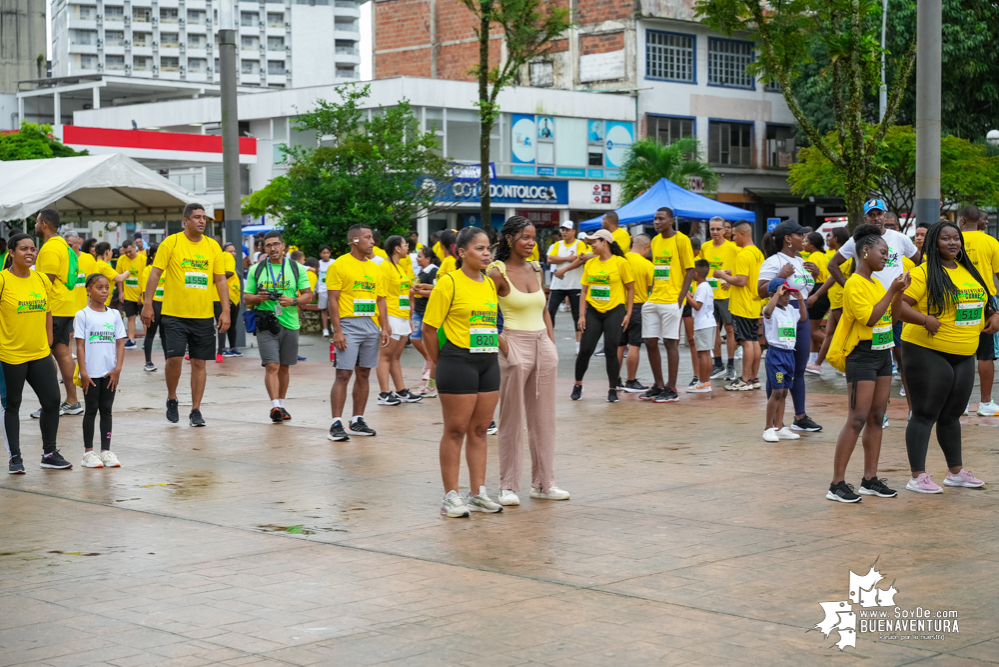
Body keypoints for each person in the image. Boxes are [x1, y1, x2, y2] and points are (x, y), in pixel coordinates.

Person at [898, 221, 998, 493]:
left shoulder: (969, 270)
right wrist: (924, 319)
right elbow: (899, 307)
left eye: (956, 238)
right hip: (927, 350)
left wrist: (994, 314)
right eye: (945, 239)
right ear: (933, 243)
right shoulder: (923, 273)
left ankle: (955, 472)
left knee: (952, 415)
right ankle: (917, 476)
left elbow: (982, 299)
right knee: (924, 413)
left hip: (965, 351)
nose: (953, 243)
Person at [487, 216, 569, 506]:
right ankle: (508, 485)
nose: (532, 242)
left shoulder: (536, 268)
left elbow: (545, 309)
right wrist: (503, 344)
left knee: (544, 419)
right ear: (509, 239)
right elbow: (481, 312)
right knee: (511, 419)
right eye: (525, 237)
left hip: (542, 346)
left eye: (533, 237)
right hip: (513, 344)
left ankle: (544, 483)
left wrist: (551, 344)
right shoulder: (496, 272)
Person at [422, 226, 503, 517]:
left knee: (480, 430)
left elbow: (489, 324)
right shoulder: (448, 283)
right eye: (479, 248)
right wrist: (435, 362)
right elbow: (428, 328)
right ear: (461, 252)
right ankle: (451, 496)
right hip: (456, 361)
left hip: (487, 360)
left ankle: (477, 493)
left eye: (488, 248)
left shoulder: (489, 284)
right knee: (456, 430)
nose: (486, 254)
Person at [826, 225, 909, 502]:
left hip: (882, 353)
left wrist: (898, 292)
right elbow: (870, 319)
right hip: (861, 356)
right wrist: (891, 290)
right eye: (882, 252)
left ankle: (869, 479)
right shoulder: (854, 284)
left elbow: (893, 318)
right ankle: (837, 484)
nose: (886, 257)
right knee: (857, 417)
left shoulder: (876, 283)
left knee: (876, 416)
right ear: (865, 250)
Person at [141, 203, 230, 427]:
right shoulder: (171, 242)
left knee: (200, 363)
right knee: (175, 358)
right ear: (186, 221)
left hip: (202, 316)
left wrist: (225, 310)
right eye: (197, 217)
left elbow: (220, 280)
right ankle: (172, 397)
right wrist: (148, 304)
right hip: (174, 315)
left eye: (204, 218)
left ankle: (196, 410)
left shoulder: (212, 247)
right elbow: (155, 273)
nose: (202, 221)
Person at [829, 200, 920, 406]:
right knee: (872, 364)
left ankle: (910, 409)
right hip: (868, 310)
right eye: (872, 214)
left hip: (893, 306)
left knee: (901, 358)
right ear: (865, 218)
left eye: (880, 213)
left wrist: (908, 286)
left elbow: (919, 259)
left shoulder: (899, 238)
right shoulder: (857, 241)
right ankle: (879, 409)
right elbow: (833, 265)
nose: (877, 218)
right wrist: (850, 287)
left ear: (885, 215)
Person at [1, 233, 72, 473]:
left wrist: (49, 345)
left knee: (52, 401)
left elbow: (48, 312)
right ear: (11, 252)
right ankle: (15, 458)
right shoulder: (2, 280)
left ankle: (49, 453)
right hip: (9, 356)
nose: (30, 252)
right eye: (24, 249)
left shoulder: (42, 280)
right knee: (13, 405)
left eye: (33, 248)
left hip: (39, 354)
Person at [326, 224, 390, 441]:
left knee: (364, 373)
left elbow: (380, 299)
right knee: (344, 374)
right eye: (368, 237)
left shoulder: (375, 268)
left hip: (371, 327)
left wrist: (385, 327)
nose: (372, 241)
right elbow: (332, 300)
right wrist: (337, 331)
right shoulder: (339, 265)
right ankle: (336, 423)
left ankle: (357, 420)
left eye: (372, 237)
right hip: (348, 325)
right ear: (355, 241)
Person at [758, 220, 823, 432]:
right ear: (788, 239)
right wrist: (780, 276)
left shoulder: (800, 259)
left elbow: (803, 291)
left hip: (800, 314)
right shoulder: (774, 261)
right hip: (781, 314)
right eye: (800, 234)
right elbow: (761, 291)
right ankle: (775, 421)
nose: (804, 238)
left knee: (798, 369)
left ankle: (800, 416)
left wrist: (813, 275)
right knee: (778, 366)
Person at [244, 231, 313, 423]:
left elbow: (308, 295)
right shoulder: (256, 269)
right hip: (266, 322)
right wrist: (259, 297)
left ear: (284, 246)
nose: (273, 248)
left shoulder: (296, 268)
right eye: (268, 245)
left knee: (284, 367)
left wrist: (294, 301)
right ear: (263, 248)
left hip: (290, 322)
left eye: (276, 244)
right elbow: (247, 298)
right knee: (272, 365)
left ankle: (281, 405)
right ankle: (274, 404)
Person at [572, 229, 635, 402]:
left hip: (614, 311)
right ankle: (578, 385)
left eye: (594, 242)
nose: (591, 246)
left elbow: (630, 288)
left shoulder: (620, 263)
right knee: (585, 349)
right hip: (593, 311)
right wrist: (582, 315)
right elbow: (584, 291)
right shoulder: (590, 264)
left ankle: (612, 389)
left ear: (605, 242)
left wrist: (628, 313)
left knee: (611, 350)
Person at [641, 207, 696, 403]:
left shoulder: (681, 240)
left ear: (671, 220)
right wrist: (652, 292)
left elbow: (690, 270)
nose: (656, 222)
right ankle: (658, 385)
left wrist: (680, 299)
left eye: (661, 219)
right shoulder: (655, 241)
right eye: (655, 218)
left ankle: (671, 388)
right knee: (649, 341)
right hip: (654, 298)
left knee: (670, 342)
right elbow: (658, 269)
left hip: (672, 299)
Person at [34, 208, 84, 416]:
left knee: (44, 354)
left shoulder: (50, 248)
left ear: (44, 224)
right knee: (63, 352)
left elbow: (46, 280)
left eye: (37, 222)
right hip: (66, 306)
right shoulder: (64, 246)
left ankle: (50, 404)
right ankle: (72, 402)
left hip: (53, 308)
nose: (35, 226)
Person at [74, 274, 127, 469]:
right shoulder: (83, 315)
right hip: (91, 373)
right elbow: (80, 346)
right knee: (91, 410)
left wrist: (117, 369)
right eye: (99, 287)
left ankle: (106, 451)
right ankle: (88, 452)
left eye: (107, 287)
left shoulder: (114, 315)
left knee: (107, 410)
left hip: (109, 372)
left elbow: (120, 343)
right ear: (88, 290)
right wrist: (84, 372)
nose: (105, 291)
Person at [957, 205, 999, 416]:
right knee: (985, 354)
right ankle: (985, 403)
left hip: (956, 300)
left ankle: (960, 404)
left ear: (962, 221)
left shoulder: (952, 240)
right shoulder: (991, 242)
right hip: (985, 302)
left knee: (959, 352)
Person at [717, 221, 764, 391]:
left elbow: (741, 281)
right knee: (754, 341)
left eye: (734, 235)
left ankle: (744, 380)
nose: (732, 237)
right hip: (753, 303)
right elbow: (748, 276)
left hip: (742, 304)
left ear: (742, 234)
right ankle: (754, 378)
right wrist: (732, 275)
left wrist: (722, 274)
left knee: (746, 342)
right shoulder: (757, 253)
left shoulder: (744, 254)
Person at [376, 235, 422, 405]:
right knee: (385, 356)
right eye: (405, 245)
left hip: (402, 316)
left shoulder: (400, 267)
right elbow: (380, 296)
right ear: (397, 248)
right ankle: (384, 393)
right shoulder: (384, 267)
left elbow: (404, 292)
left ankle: (401, 391)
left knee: (396, 357)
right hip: (391, 316)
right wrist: (385, 324)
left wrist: (409, 317)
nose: (407, 247)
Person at [761, 280, 808, 442]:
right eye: (784, 294)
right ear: (773, 295)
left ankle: (780, 427)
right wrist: (777, 295)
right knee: (777, 391)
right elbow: (767, 312)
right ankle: (768, 427)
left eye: (789, 294)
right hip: (776, 354)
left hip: (789, 354)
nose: (787, 297)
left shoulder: (791, 310)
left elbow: (803, 316)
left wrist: (800, 299)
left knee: (785, 391)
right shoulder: (771, 310)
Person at [700, 217, 740, 382]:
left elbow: (742, 270)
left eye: (718, 229)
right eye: (712, 229)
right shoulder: (705, 247)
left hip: (726, 295)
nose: (715, 232)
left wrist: (732, 280)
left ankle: (731, 365)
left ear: (725, 230)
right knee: (713, 329)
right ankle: (718, 364)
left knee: (729, 330)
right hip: (710, 295)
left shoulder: (733, 248)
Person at [812, 226, 852, 373]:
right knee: (830, 333)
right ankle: (817, 364)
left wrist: (816, 295)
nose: (827, 239)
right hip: (835, 301)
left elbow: (833, 278)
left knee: (844, 334)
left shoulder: (845, 257)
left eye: (829, 236)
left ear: (836, 240)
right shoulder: (839, 256)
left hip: (841, 301)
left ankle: (847, 365)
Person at [617, 234, 653, 392]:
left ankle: (615, 379)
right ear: (646, 248)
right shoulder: (646, 265)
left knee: (619, 345)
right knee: (634, 345)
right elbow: (654, 289)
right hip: (638, 307)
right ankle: (631, 381)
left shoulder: (619, 260)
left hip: (618, 307)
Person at [547, 220, 590, 353]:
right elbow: (550, 259)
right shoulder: (557, 244)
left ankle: (579, 345)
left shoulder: (580, 244)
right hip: (558, 284)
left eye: (567, 230)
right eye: (563, 230)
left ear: (573, 231)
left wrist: (563, 268)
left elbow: (580, 260)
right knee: (550, 313)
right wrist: (568, 258)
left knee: (577, 316)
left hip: (575, 284)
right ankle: (549, 343)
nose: (564, 232)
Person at [410, 246, 440, 397]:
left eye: (420, 256)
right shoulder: (421, 272)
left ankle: (432, 383)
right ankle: (429, 364)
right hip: (419, 312)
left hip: (430, 313)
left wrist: (419, 291)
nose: (417, 258)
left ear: (428, 258)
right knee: (415, 339)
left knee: (432, 346)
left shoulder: (435, 270)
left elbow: (437, 290)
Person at [686, 260, 716, 393]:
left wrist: (686, 295)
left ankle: (703, 383)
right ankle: (705, 381)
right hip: (709, 322)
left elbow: (697, 305)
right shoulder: (706, 286)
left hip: (702, 324)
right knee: (707, 353)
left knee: (702, 354)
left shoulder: (702, 287)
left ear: (696, 274)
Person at [803, 232, 830, 373]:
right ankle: (813, 362)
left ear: (812, 244)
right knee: (815, 328)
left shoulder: (812, 258)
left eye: (806, 241)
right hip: (825, 292)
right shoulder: (823, 257)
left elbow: (808, 279)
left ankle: (839, 350)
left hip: (816, 291)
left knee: (812, 330)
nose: (803, 243)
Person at [115, 238, 147, 350]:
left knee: (144, 318)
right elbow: (119, 277)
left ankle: (147, 341)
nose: (128, 254)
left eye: (130, 251)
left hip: (141, 295)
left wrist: (142, 294)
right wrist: (121, 292)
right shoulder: (121, 260)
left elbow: (146, 278)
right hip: (128, 295)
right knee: (130, 317)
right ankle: (131, 340)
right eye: (126, 252)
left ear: (135, 247)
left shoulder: (143, 259)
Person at [139, 244, 166, 372]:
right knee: (151, 333)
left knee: (166, 334)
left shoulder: (167, 268)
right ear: (154, 254)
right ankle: (148, 362)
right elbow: (145, 291)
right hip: (154, 304)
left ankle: (169, 361)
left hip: (167, 304)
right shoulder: (148, 270)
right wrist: (147, 306)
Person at [214, 242, 242, 359]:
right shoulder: (224, 261)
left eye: (234, 251)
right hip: (224, 298)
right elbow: (222, 277)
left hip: (235, 298)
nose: (233, 253)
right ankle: (222, 349)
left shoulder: (233, 263)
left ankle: (232, 347)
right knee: (223, 323)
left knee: (232, 324)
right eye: (230, 251)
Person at [682, 236, 703, 388]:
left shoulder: (700, 263)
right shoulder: (680, 260)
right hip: (677, 301)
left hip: (692, 303)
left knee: (692, 339)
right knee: (672, 340)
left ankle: (697, 375)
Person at [315, 245, 334, 337]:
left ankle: (333, 326)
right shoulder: (318, 264)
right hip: (322, 289)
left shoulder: (334, 263)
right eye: (324, 253)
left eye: (327, 253)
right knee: (324, 309)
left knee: (333, 308)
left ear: (330, 253)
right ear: (320, 254)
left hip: (333, 289)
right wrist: (316, 289)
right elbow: (316, 278)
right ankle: (325, 329)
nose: (326, 255)